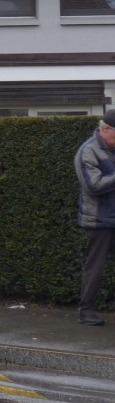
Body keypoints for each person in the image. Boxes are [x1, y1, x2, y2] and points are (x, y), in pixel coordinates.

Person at [75, 109, 115, 325]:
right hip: (99, 220)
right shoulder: (88, 151)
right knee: (95, 267)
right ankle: (86, 311)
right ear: (106, 129)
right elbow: (93, 185)